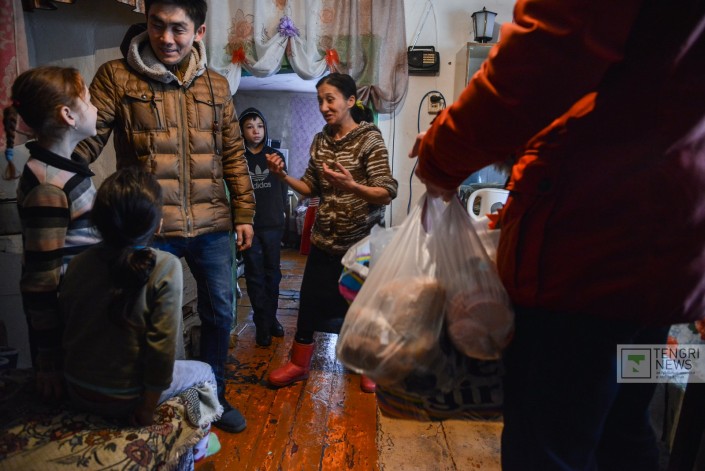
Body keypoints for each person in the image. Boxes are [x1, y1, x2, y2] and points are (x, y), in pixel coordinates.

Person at [409, 0, 705, 469]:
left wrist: (439, 155)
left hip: (587, 253)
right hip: (662, 256)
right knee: (623, 429)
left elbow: (545, 56)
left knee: (550, 446)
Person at [74, 0, 255, 433]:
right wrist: (53, 166)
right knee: (144, 319)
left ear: (199, 32)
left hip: (213, 225)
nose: (166, 38)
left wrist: (245, 212)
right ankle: (152, 400)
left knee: (220, 314)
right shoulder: (116, 77)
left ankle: (212, 397)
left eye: (178, 29)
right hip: (149, 227)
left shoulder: (216, 85)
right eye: (157, 26)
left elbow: (233, 153)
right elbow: (86, 140)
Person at [59, 168, 221, 459]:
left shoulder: (78, 262)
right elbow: (163, 349)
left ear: (99, 222)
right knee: (206, 372)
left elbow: (67, 324)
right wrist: (147, 407)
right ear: (157, 224)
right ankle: (197, 447)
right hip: (126, 399)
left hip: (76, 389)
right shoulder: (165, 265)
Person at [265, 73, 398, 393]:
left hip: (361, 245)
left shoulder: (370, 139)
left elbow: (386, 191)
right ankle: (299, 364)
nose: (324, 106)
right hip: (324, 240)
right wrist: (282, 175)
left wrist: (353, 187)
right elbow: (310, 187)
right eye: (320, 100)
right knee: (309, 304)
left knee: (364, 308)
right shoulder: (321, 141)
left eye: (330, 99)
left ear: (350, 101)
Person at [3, 66, 102, 401]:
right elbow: (41, 279)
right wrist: (48, 358)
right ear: (68, 116)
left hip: (81, 313)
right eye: (88, 101)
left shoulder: (63, 169)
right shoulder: (48, 185)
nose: (95, 108)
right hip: (65, 329)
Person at [238, 108, 288, 347]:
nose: (255, 131)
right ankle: (261, 323)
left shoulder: (275, 155)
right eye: (249, 127)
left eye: (259, 126)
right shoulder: (239, 159)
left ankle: (271, 318)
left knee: (273, 274)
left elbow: (283, 187)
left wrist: (283, 213)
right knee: (255, 275)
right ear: (242, 131)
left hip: (273, 225)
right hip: (250, 227)